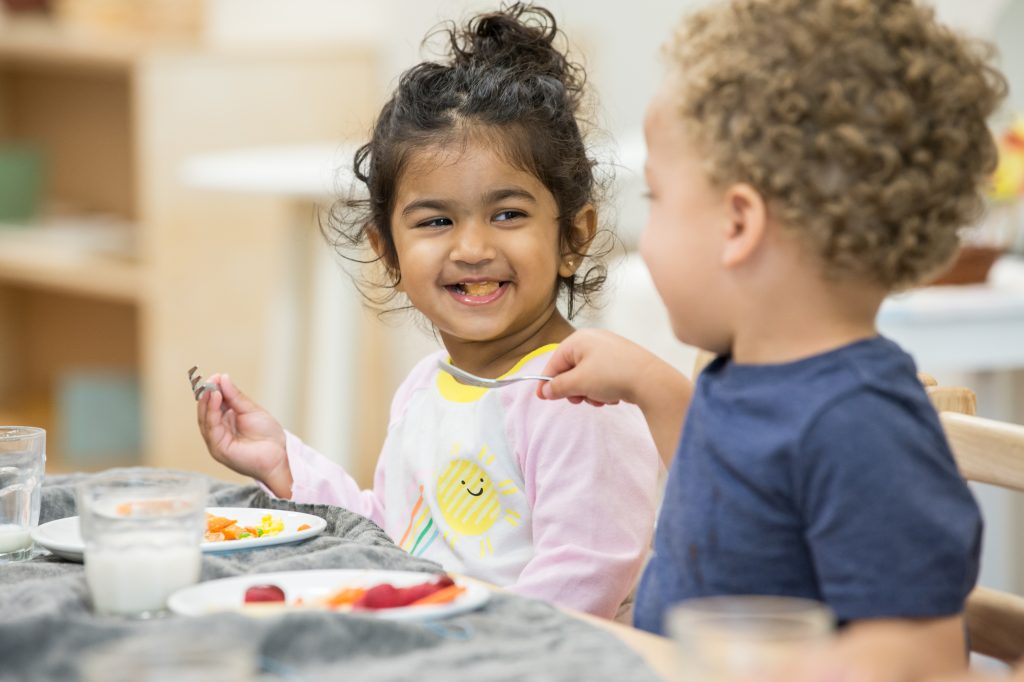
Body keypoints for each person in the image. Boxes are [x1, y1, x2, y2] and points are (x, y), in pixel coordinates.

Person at [537, 0, 1006, 674]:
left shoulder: (864, 426)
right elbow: (729, 504)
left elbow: (919, 659)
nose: (647, 227)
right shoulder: (743, 370)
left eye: (657, 198)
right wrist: (647, 385)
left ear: (737, 225)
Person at [195, 3, 660, 620]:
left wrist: (469, 642)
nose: (472, 248)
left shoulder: (579, 397)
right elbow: (396, 537)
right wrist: (285, 465)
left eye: (508, 214)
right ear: (387, 252)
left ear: (572, 237)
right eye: (437, 221)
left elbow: (588, 572)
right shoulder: (427, 388)